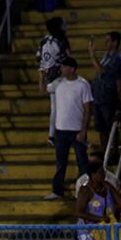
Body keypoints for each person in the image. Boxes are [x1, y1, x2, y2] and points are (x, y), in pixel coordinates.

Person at [45, 56, 91, 199]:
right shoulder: (58, 83)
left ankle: (85, 190)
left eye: (64, 67)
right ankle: (57, 190)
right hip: (61, 131)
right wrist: (41, 77)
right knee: (61, 162)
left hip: (77, 130)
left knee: (82, 162)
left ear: (72, 69)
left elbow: (88, 109)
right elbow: (43, 91)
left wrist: (84, 130)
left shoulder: (83, 84)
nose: (61, 69)